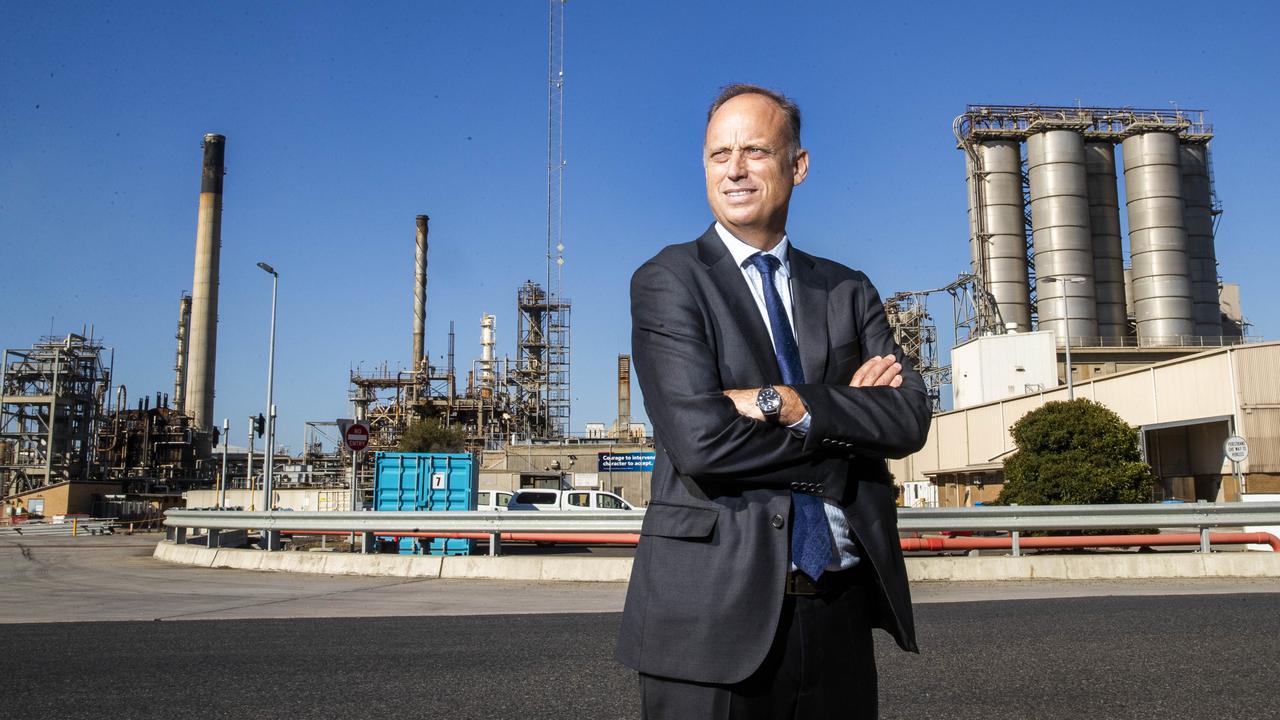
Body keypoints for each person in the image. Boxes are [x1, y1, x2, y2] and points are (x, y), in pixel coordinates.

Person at [616, 84, 932, 719]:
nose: (734, 169)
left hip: (839, 606)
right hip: (710, 617)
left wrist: (785, 403)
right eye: (718, 153)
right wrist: (844, 430)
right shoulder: (669, 280)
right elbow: (702, 442)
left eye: (755, 150)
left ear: (798, 164)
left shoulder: (846, 288)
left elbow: (910, 417)